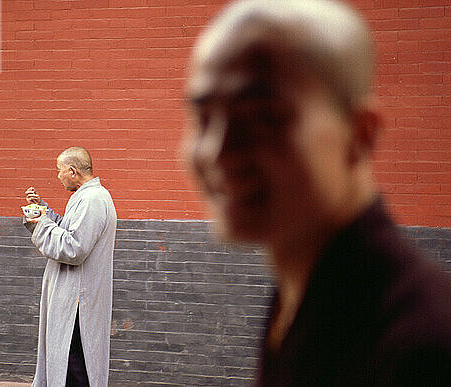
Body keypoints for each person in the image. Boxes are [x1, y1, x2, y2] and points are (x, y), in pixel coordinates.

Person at [184, 0, 451, 385]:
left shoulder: (423, 346)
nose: (217, 152)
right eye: (204, 117)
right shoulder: (303, 291)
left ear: (360, 134)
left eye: (263, 118)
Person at [23, 146, 117, 387]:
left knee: (74, 365)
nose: (58, 176)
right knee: (71, 365)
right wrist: (42, 211)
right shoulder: (85, 197)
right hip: (75, 298)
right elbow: (69, 229)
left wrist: (42, 224)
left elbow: (74, 248)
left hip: (78, 303)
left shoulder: (93, 200)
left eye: (59, 170)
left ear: (73, 172)